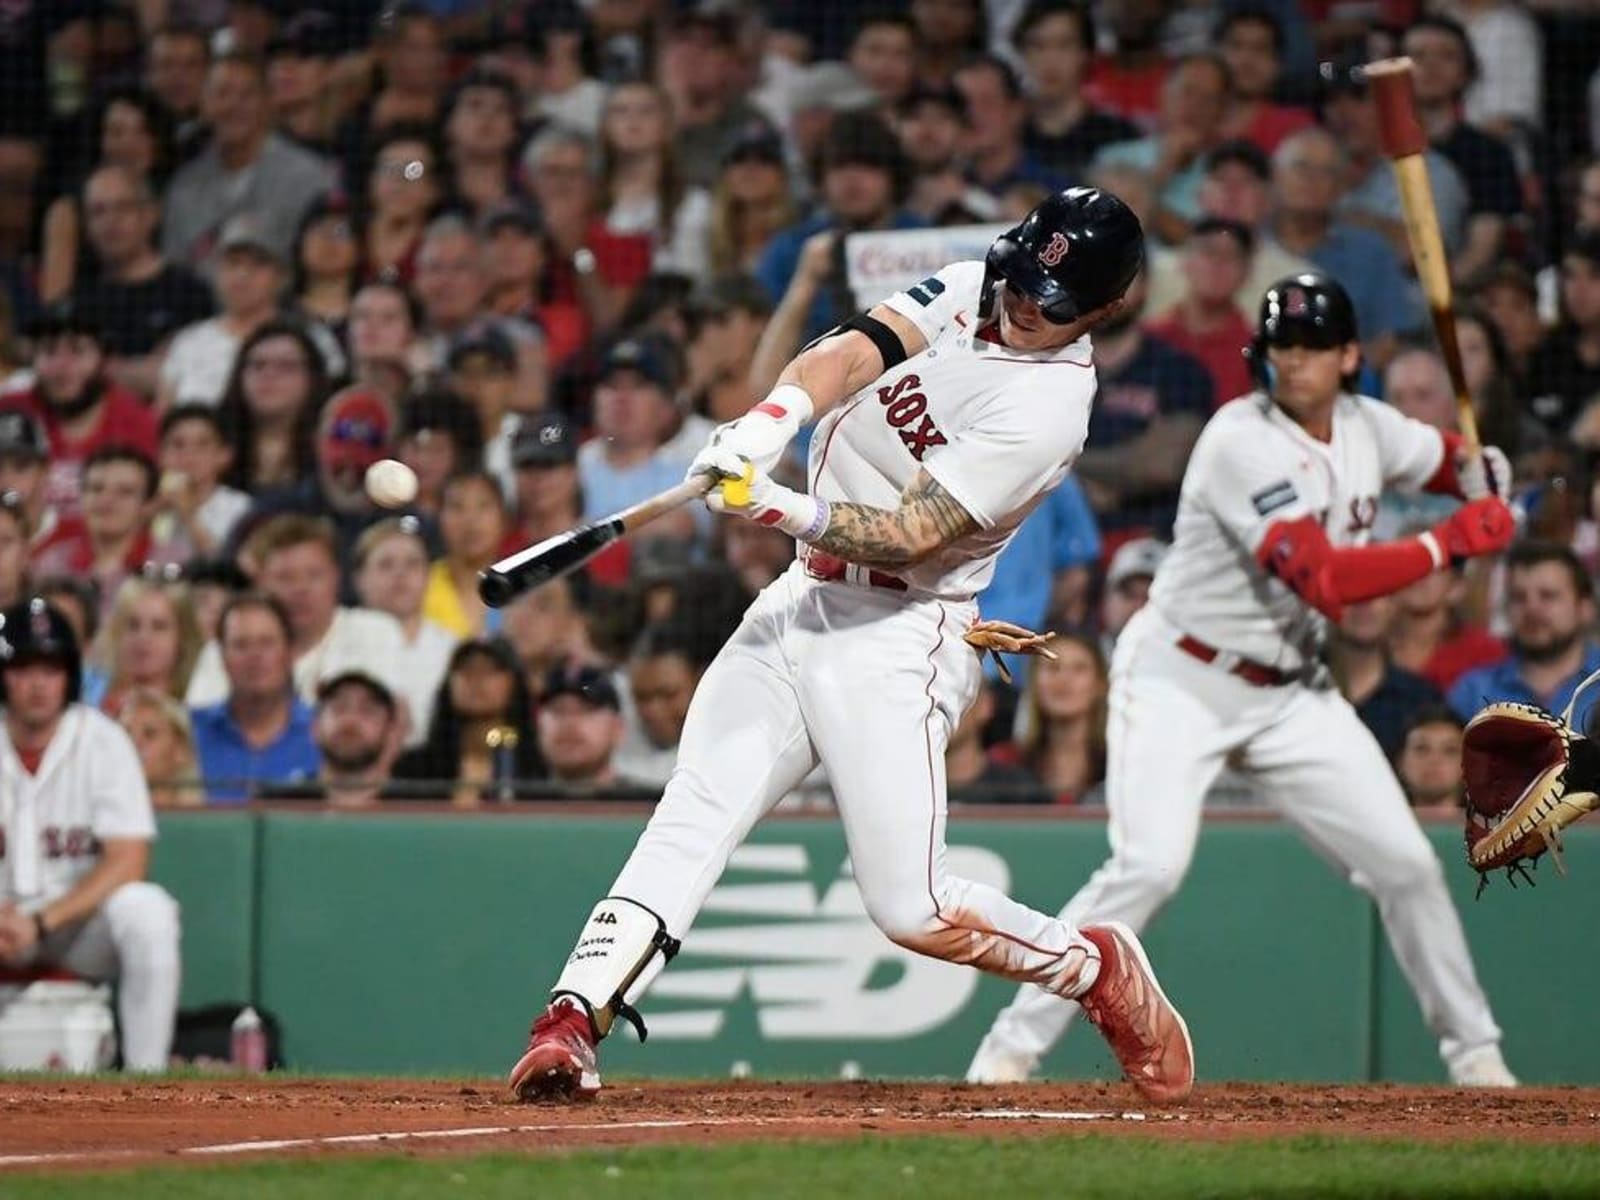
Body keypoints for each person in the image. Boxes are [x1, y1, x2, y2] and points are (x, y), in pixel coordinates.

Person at [508, 187, 1195, 1106]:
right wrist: (771, 420)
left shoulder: (1051, 407)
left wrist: (779, 504)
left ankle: (1091, 966)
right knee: (696, 807)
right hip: (800, 602)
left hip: (899, 636)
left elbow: (915, 531)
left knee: (910, 907)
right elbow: (853, 350)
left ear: (1105, 310)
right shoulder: (973, 284)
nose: (1027, 305)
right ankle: (570, 1020)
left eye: (1053, 302)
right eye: (1024, 280)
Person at [966, 273, 1516, 1090]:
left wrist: (1481, 470)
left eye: (1311, 349)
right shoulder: (1238, 438)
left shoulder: (1370, 427)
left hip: (1291, 691)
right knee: (1149, 865)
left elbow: (1446, 461)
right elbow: (1324, 580)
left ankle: (1476, 1057)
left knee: (1407, 865)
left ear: (1349, 357)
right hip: (1181, 678)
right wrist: (1448, 544)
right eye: (1280, 349)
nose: (1293, 364)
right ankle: (1009, 1050)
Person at [0, 597, 181, 1071]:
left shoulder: (102, 741)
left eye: (51, 667)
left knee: (148, 912)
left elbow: (129, 858)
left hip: (72, 928)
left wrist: (42, 921)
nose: (38, 684)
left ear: (70, 675)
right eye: (22, 668)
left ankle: (147, 1083)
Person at [185, 516, 405, 710]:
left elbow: (396, 722)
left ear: (336, 578)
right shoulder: (230, 645)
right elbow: (200, 727)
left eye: (314, 575)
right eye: (285, 578)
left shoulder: (377, 633)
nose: (301, 589)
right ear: (260, 584)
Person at [160, 50, 336, 275]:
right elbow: (176, 274)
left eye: (246, 95)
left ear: (267, 103)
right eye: (222, 94)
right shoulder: (184, 185)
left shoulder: (310, 178)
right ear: (204, 105)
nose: (234, 106)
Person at [1073, 272, 1212, 534]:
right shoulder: (1045, 368)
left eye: (1123, 279)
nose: (1109, 291)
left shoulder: (1179, 370)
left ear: (1146, 287)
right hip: (1063, 550)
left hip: (1152, 541)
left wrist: (1064, 472)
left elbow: (1162, 465)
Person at [1269, 128, 1419, 365]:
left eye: (1326, 172)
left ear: (1339, 188)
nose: (1312, 180)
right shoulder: (1249, 245)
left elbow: (1387, 342)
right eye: (1302, 168)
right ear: (1275, 176)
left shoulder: (1370, 253)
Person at [68, 165, 213, 400]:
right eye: (98, 212)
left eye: (122, 208)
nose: (110, 221)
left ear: (151, 214)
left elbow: (182, 377)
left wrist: (104, 370)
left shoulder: (189, 291)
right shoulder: (80, 301)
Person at [5, 307, 158, 523]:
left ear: (103, 359)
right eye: (49, 351)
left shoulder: (138, 422)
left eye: (77, 351)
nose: (62, 366)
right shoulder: (9, 413)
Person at [1400, 16, 1522, 286]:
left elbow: (1481, 251)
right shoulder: (1373, 146)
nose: (1431, 66)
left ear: (1466, 72)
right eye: (1417, 55)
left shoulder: (1491, 154)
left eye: (1447, 56)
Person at [1448, 542, 1600, 732]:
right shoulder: (1473, 692)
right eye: (1518, 597)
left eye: (1548, 596)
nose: (1532, 609)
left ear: (1585, 608)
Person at [190, 591, 319, 803]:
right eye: (241, 645)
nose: (255, 656)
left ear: (290, 653)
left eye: (266, 643)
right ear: (222, 657)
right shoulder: (189, 731)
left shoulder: (323, 733)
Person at [392, 637, 543, 807]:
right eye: (466, 670)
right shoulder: (415, 768)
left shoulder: (538, 767)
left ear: (513, 683)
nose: (476, 680)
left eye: (489, 670)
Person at [157, 219, 288, 410]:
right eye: (233, 263)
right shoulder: (188, 343)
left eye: (257, 265)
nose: (242, 274)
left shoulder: (311, 338)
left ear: (281, 276)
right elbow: (163, 418)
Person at [352, 518, 455, 747]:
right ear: (359, 579)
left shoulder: (451, 647)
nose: (400, 574)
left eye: (412, 564)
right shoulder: (338, 638)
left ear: (428, 576)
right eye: (386, 565)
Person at [30, 446, 159, 628]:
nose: (107, 500)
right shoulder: (52, 564)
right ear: (81, 497)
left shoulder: (169, 562)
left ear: (149, 505)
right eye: (96, 489)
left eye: (125, 492)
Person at [1012, 0, 1139, 184]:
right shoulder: (1011, 134)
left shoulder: (1116, 135)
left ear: (1086, 55)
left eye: (1064, 45)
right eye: (1038, 45)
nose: (1050, 59)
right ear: (1022, 54)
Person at [599, 80, 713, 283]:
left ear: (667, 126)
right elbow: (580, 260)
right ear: (605, 127)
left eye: (646, 111)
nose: (633, 121)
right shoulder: (589, 202)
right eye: (620, 111)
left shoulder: (695, 204)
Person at [1145, 218, 1255, 407]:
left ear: (1246, 272)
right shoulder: (1150, 339)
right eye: (1208, 252)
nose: (1218, 264)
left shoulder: (1257, 351)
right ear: (1184, 261)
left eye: (1231, 256)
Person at [213, 321, 326, 497]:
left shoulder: (329, 449)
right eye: (258, 365)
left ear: (312, 379)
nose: (269, 375)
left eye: (286, 366)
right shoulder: (212, 443)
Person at [1330, 594, 1445, 761]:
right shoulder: (1295, 691)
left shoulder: (1421, 700)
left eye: (1378, 592)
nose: (1364, 604)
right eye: (1350, 591)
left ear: (1395, 605)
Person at [281, 669, 404, 808]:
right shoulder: (277, 807)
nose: (350, 720)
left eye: (367, 711)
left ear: (391, 732)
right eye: (339, 708)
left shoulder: (420, 810)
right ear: (314, 729)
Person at [149, 406, 252, 564]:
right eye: (177, 445)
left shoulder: (240, 507)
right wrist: (150, 513)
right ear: (161, 455)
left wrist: (188, 517)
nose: (188, 455)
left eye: (202, 445)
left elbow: (228, 565)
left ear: (224, 455)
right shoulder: (143, 503)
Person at [1017, 632, 1109, 804]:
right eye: (1053, 667)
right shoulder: (1010, 764)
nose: (1063, 680)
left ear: (1100, 685)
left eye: (1079, 669)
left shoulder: (1118, 766)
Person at [92, 576, 203, 718]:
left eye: (159, 626)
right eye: (133, 625)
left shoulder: (198, 715)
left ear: (182, 638)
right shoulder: (95, 712)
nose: (143, 637)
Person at [1388, 561, 1505, 691]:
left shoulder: (1484, 652)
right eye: (1412, 563)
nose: (1419, 574)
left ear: (1457, 588)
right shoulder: (1372, 644)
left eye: (1434, 567)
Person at [613, 622, 704, 788]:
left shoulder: (729, 737)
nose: (653, 711)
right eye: (642, 697)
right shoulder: (613, 715)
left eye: (668, 695)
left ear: (699, 683)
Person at [423, 471, 511, 639]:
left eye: (483, 506)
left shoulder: (522, 586)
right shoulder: (420, 585)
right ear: (438, 518)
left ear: (504, 518)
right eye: (457, 507)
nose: (471, 520)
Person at [1214, 8, 1312, 154]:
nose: (1246, 58)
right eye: (1236, 46)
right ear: (1215, 56)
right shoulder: (1194, 121)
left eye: (1261, 49)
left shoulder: (1295, 128)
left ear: (1278, 66)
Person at [946, 676, 1049, 803]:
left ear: (985, 705)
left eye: (954, 696)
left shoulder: (1020, 791)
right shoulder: (914, 792)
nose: (941, 709)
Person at [537, 662, 634, 793]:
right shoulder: (514, 805)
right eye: (557, 710)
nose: (569, 722)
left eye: (586, 710)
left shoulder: (654, 807)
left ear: (618, 728)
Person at [119, 686, 202, 809]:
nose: (133, 743)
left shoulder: (206, 822)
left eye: (150, 734)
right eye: (126, 733)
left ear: (180, 751)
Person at [1394, 706, 1467, 815]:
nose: (1434, 760)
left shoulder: (1492, 830)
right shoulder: (1376, 827)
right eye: (1421, 748)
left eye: (1449, 750)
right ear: (1401, 762)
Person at [1099, 535, 1167, 648]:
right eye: (1129, 595)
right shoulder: (1076, 658)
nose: (1138, 606)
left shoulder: (1188, 662)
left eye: (1150, 598)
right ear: (1106, 599)